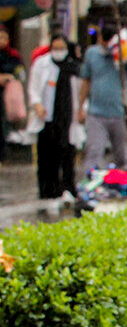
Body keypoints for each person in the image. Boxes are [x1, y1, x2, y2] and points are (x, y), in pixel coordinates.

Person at [27, 33, 81, 203]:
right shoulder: (41, 64)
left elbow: (81, 91)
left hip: (67, 118)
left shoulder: (73, 67)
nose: (58, 52)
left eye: (62, 48)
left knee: (67, 154)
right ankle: (47, 191)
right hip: (47, 117)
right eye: (55, 48)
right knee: (46, 156)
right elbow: (33, 87)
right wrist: (37, 104)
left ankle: (67, 188)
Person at [78, 21, 127, 174]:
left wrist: (124, 52)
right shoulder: (92, 53)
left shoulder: (125, 50)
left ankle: (124, 186)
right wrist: (80, 107)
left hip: (120, 113)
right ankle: (91, 186)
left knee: (123, 156)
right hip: (96, 113)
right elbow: (86, 81)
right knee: (93, 152)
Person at [0, 25, 26, 165]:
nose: (2, 40)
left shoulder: (13, 55)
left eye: (4, 37)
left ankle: (3, 155)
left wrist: (10, 77)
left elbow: (21, 73)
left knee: (4, 124)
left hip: (7, 95)